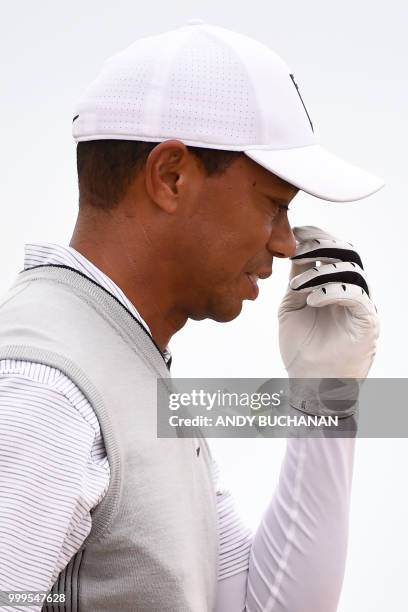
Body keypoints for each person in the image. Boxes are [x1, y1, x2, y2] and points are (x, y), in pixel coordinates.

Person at [0, 21, 382, 612]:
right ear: (171, 177)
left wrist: (325, 397)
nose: (285, 243)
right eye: (274, 205)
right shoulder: (44, 386)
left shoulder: (127, 367)